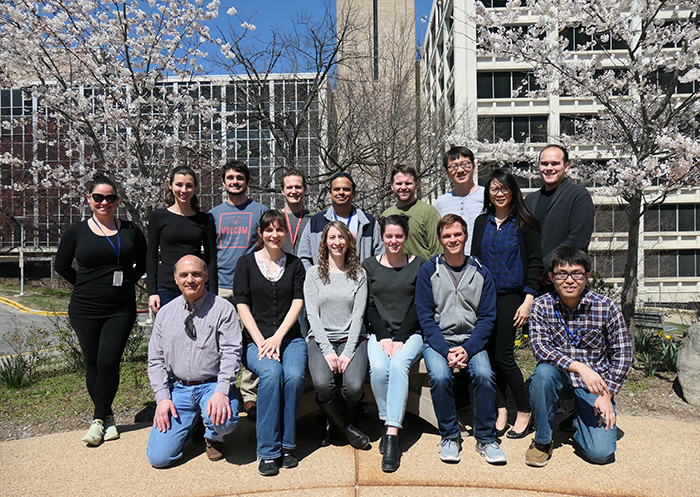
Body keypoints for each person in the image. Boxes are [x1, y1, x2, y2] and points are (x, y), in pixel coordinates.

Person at [55, 172, 147, 446]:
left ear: (117, 200)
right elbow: (61, 266)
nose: (104, 202)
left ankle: (96, 421)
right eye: (98, 197)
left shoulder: (130, 230)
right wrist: (82, 284)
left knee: (108, 360)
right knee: (93, 363)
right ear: (89, 200)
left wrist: (129, 280)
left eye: (109, 198)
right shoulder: (77, 231)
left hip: (120, 307)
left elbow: (144, 261)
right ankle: (106, 417)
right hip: (84, 307)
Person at [526, 247, 632, 467]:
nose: (569, 280)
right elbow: (540, 347)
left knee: (600, 454)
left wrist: (607, 394)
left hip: (596, 385)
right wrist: (580, 368)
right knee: (542, 375)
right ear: (551, 277)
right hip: (560, 377)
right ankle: (543, 441)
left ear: (587, 276)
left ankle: (577, 419)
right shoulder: (541, 305)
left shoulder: (606, 307)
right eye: (561, 273)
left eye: (577, 273)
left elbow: (623, 354)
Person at [415, 214, 506, 465]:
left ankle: (486, 438)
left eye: (457, 234)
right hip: (438, 340)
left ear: (465, 236)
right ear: (440, 240)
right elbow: (425, 316)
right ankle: (449, 436)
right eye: (447, 236)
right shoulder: (429, 271)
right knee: (441, 376)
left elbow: (487, 317)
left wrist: (467, 349)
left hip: (471, 341)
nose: (452, 239)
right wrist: (446, 351)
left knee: (485, 376)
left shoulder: (480, 271)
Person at [146, 255, 241, 468]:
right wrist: (162, 398)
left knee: (224, 421)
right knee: (159, 459)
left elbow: (231, 353)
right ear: (176, 279)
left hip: (212, 385)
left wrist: (221, 391)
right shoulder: (165, 314)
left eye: (196, 274)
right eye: (184, 275)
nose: (191, 279)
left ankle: (213, 436)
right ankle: (193, 424)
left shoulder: (223, 309)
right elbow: (155, 359)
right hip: (178, 389)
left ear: (206, 276)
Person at [470, 168, 544, 439]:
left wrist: (528, 300)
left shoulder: (526, 222)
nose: (499, 193)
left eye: (504, 188)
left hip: (513, 297)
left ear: (513, 191)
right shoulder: (481, 222)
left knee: (503, 355)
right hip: (484, 297)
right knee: (487, 357)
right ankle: (501, 408)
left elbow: (536, 262)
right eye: (494, 189)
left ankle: (524, 410)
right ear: (488, 194)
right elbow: (475, 261)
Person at [233, 210, 307, 477]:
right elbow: (241, 304)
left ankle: (287, 445)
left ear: (285, 234)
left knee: (295, 376)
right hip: (256, 341)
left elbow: (298, 302)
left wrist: (278, 337)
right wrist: (262, 340)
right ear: (260, 234)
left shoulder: (295, 264)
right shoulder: (245, 263)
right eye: (269, 230)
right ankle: (267, 451)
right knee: (271, 373)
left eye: (279, 230)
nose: (274, 235)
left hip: (290, 338)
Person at [362, 214, 425, 472]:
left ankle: (391, 434)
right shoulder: (369, 266)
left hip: (411, 334)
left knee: (398, 364)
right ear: (382, 237)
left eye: (399, 236)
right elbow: (368, 305)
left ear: (406, 237)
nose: (394, 240)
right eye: (389, 236)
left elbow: (419, 306)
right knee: (378, 368)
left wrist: (399, 338)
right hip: (378, 333)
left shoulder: (419, 265)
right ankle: (389, 417)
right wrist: (385, 336)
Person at [210, 160, 269, 420]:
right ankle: (222, 390)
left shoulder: (260, 210)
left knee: (251, 339)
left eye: (240, 178)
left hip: (249, 286)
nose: (235, 182)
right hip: (221, 287)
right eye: (230, 178)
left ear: (247, 181)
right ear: (223, 182)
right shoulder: (213, 215)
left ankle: (250, 396)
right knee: (220, 343)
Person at [304, 221, 370, 450]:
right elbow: (312, 315)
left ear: (349, 242)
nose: (337, 242)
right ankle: (346, 427)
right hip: (321, 340)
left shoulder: (359, 274)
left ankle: (331, 419)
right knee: (322, 384)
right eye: (332, 238)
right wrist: (329, 351)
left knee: (353, 387)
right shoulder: (314, 274)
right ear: (325, 242)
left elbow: (358, 316)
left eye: (341, 237)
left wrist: (348, 352)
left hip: (352, 339)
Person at [147, 166, 217, 313]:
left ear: (195, 188)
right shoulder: (158, 217)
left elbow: (211, 258)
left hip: (197, 288)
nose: (184, 190)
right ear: (170, 186)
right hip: (166, 288)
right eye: (179, 185)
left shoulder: (205, 220)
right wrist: (152, 292)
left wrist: (213, 292)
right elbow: (152, 256)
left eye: (189, 186)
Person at [524, 144, 595, 278]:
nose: (549, 168)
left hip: (564, 279)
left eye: (555, 164)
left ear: (566, 167)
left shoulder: (578, 196)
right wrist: (531, 273)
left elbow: (577, 241)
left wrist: (546, 270)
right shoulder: (530, 200)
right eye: (544, 164)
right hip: (533, 281)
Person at [297, 171, 383, 270]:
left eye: (346, 189)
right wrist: (316, 278)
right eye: (336, 189)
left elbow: (379, 256)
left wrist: (366, 278)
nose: (341, 193)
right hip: (324, 282)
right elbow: (303, 256)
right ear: (330, 193)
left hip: (359, 282)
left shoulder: (368, 222)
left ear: (353, 193)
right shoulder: (316, 222)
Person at [382, 165, 442, 261]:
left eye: (408, 183)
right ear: (392, 186)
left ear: (416, 185)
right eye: (399, 183)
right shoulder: (386, 215)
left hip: (421, 273)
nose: (403, 187)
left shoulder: (429, 213)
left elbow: (437, 250)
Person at [433, 146, 484, 256]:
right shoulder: (440, 203)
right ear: (447, 172)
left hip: (482, 262)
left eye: (465, 164)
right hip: (450, 265)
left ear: (474, 166)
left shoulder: (487, 197)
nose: (460, 170)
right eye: (454, 167)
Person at [280, 170, 311, 256]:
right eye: (289, 187)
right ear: (282, 191)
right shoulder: (275, 218)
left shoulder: (313, 219)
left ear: (304, 190)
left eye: (298, 187)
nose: (293, 191)